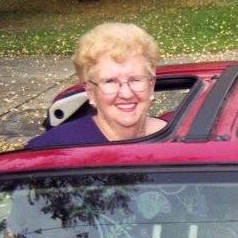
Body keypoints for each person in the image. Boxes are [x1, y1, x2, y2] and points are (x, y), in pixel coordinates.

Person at [25, 22, 166, 148]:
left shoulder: (175, 140)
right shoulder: (55, 147)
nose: (126, 94)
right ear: (90, 91)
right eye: (110, 81)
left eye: (135, 79)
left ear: (151, 85)